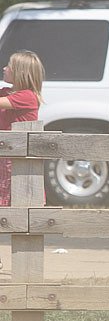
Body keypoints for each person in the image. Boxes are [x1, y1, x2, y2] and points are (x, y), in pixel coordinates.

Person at [0, 50, 45, 270]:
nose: (4, 69)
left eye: (9, 66)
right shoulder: (8, 93)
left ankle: (26, 265)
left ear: (20, 73)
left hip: (17, 166)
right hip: (5, 162)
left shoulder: (26, 96)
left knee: (17, 214)